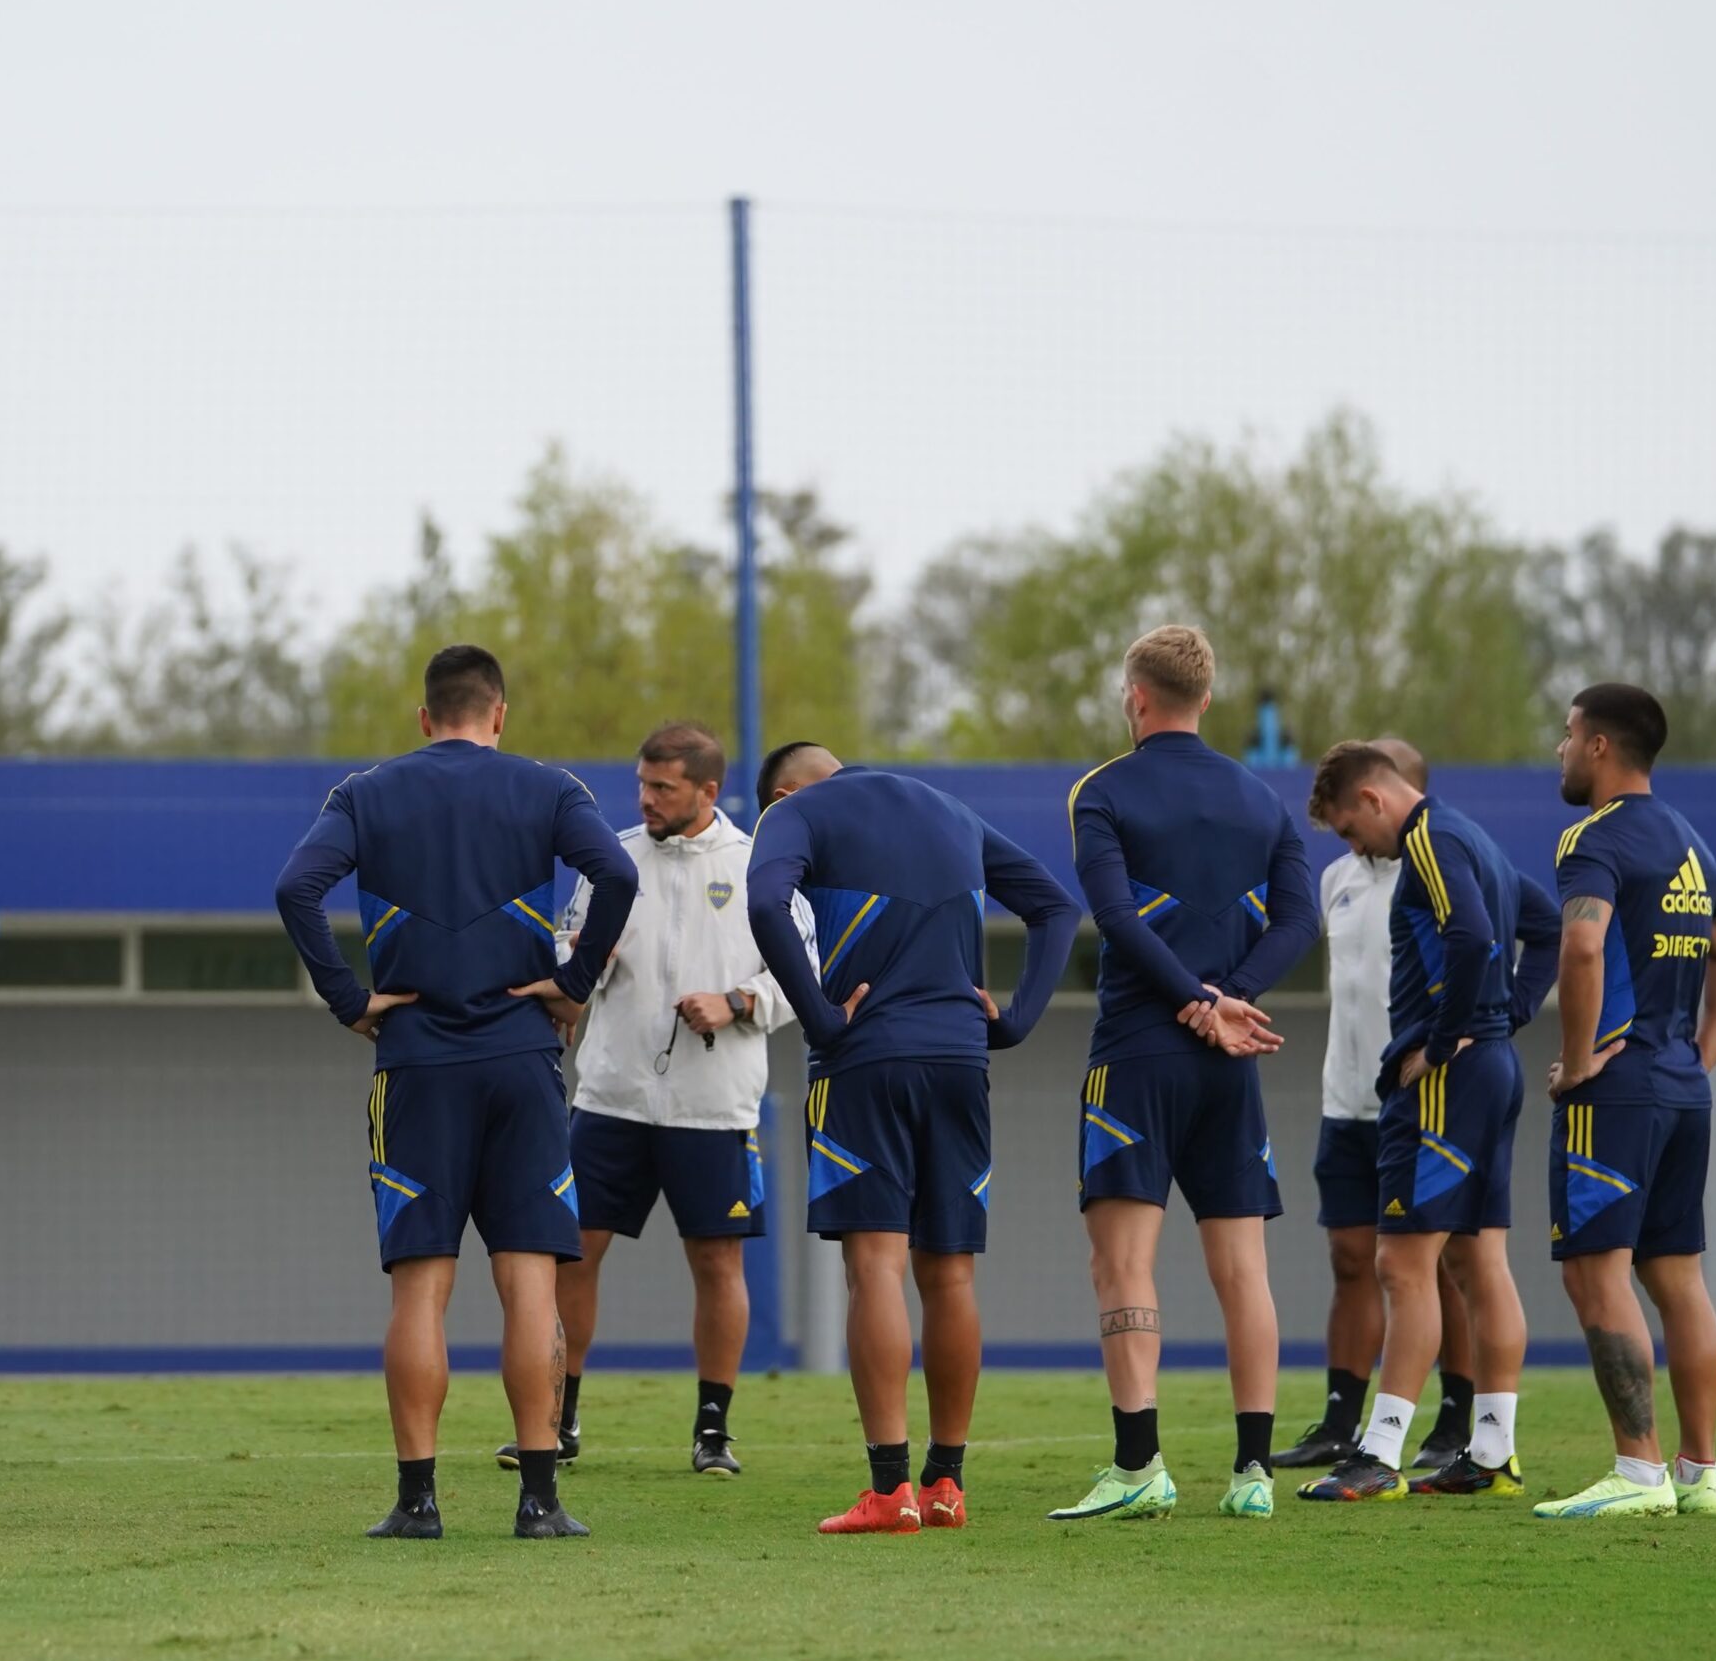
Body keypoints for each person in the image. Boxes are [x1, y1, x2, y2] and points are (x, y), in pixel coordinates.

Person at [277, 645, 637, 1541]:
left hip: (415, 1068)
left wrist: (349, 999)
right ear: (500, 713)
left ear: (424, 715)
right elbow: (619, 876)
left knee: (420, 1292)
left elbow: (298, 888)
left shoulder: (365, 792)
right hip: (523, 1066)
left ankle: (417, 1503)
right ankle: (541, 1502)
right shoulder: (549, 788)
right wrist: (575, 980)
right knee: (530, 1288)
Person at [747, 742, 1080, 1534]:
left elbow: (764, 905)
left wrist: (823, 1017)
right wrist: (1018, 1019)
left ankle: (890, 1489)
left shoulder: (798, 812)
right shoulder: (949, 810)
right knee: (951, 1276)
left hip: (865, 1062)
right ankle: (947, 1485)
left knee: (875, 1269)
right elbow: (1056, 909)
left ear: (787, 793)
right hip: (961, 1061)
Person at [1050, 626, 1320, 1523]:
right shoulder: (1260, 799)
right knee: (1245, 1270)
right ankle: (1253, 1475)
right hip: (1229, 1065)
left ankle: (1139, 1466)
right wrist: (1232, 998)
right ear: (1206, 699)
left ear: (1135, 697)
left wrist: (1195, 1001)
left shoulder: (1101, 791)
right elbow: (1299, 922)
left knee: (1122, 1263)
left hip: (1137, 1053)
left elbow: (1116, 919)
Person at [496, 720, 801, 1480]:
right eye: (641, 784)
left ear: (707, 789)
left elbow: (804, 970)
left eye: (663, 787)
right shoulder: (613, 859)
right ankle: (558, 1421)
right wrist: (583, 962)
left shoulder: (757, 861)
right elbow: (569, 956)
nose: (647, 799)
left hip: (715, 1106)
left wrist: (736, 1001)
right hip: (611, 1096)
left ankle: (713, 1431)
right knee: (574, 1257)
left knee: (716, 1263)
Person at [1296, 743, 1558, 1503]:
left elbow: (1476, 938)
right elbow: (1540, 927)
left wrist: (1442, 1041)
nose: (1355, 847)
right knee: (1479, 1264)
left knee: (1402, 1266)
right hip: (1491, 1070)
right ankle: (1492, 1451)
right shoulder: (1474, 838)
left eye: (1350, 829)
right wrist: (1507, 1015)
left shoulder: (1430, 842)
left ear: (1375, 800)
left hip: (1447, 1080)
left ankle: (1378, 1453)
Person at [1533, 684, 1716, 1519]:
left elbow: (1582, 945)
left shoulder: (1592, 838)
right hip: (1680, 1090)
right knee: (1677, 1278)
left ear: (1599, 746)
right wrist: (1701, 1055)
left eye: (1566, 735)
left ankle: (1638, 1472)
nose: (1559, 750)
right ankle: (1701, 1471)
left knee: (1597, 1277)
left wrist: (1578, 1059)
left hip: (1616, 1095)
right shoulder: (1689, 840)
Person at [1275, 737, 1482, 1475]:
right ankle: (1340, 1419)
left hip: (1420, 1100)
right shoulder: (1336, 876)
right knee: (1350, 1258)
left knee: (1443, 1260)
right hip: (1346, 1097)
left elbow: (1518, 935)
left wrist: (1486, 1025)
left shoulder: (1446, 866)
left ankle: (1455, 1418)